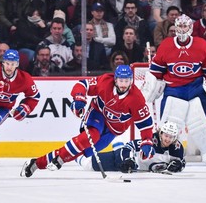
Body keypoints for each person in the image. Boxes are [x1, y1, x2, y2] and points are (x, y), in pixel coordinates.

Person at [21, 65, 155, 178]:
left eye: (127, 81)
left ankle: (37, 163)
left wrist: (147, 141)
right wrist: (79, 98)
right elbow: (83, 84)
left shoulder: (136, 99)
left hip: (114, 130)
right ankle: (60, 160)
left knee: (84, 151)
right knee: (90, 137)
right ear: (115, 80)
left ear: (131, 81)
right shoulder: (105, 82)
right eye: (121, 81)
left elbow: (145, 124)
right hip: (98, 114)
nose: (124, 85)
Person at [142, 14, 206, 165]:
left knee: (202, 122)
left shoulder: (201, 45)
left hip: (196, 89)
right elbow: (156, 72)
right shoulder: (166, 45)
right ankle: (163, 152)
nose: (182, 29)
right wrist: (151, 86)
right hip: (174, 89)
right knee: (169, 126)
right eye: (179, 26)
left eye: (184, 26)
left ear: (190, 27)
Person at [77, 121, 185, 173]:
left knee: (119, 151)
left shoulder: (176, 148)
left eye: (171, 137)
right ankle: (77, 156)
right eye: (166, 135)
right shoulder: (151, 141)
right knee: (89, 165)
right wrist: (128, 160)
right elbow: (129, 146)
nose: (168, 139)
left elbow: (181, 161)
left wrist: (179, 165)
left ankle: (117, 143)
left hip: (137, 169)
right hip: (123, 160)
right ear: (161, 134)